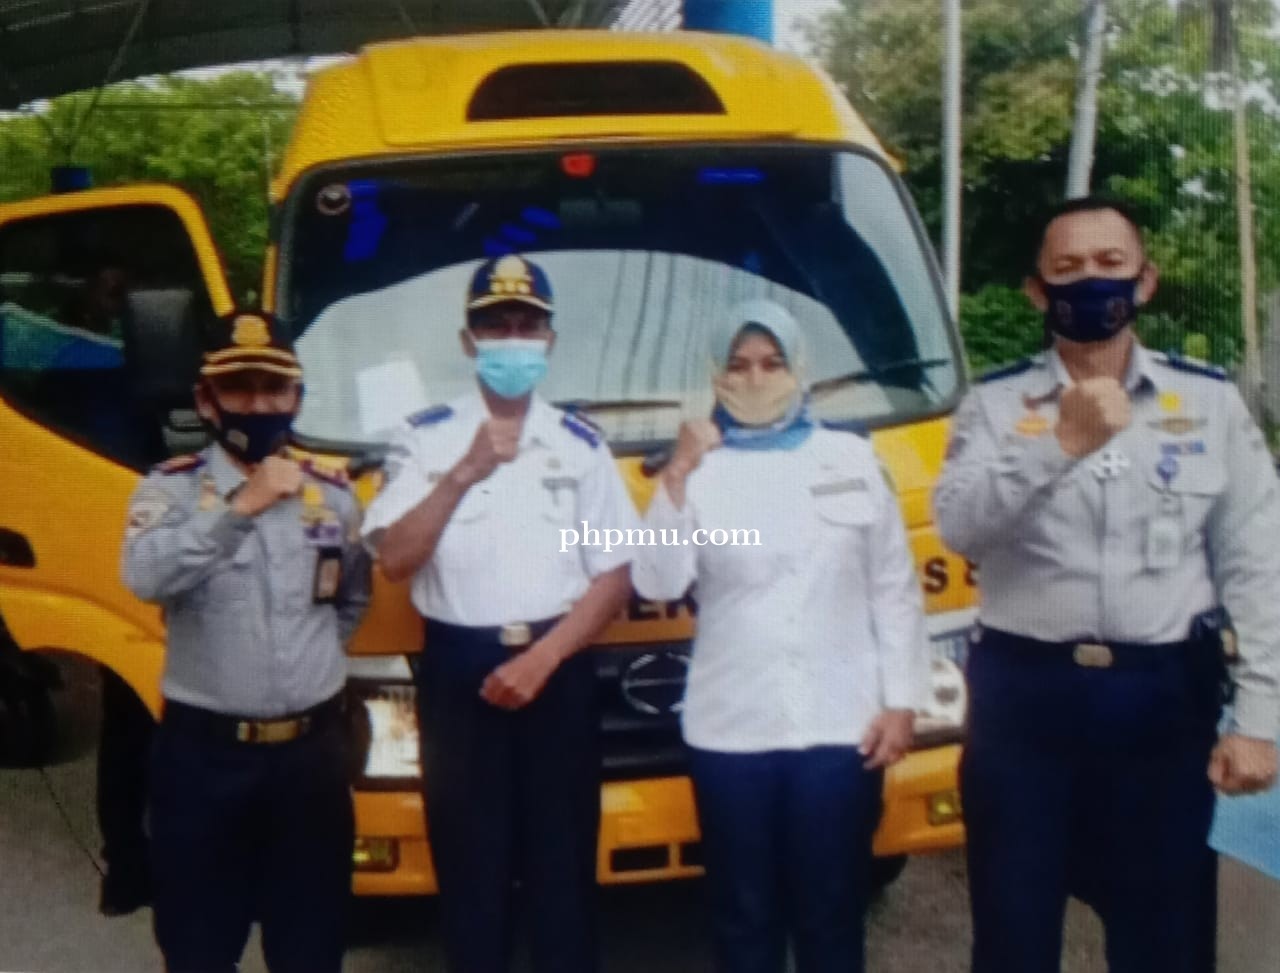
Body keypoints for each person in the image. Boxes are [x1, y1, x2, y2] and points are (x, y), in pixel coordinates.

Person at [934, 196, 1280, 973]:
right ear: (1037, 291)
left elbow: (1259, 563)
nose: (1089, 282)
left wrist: (1259, 716)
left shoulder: (1209, 402)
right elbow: (959, 527)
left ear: (1145, 281)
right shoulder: (994, 406)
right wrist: (1058, 443)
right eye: (1067, 270)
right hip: (1026, 703)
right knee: (1014, 932)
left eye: (1109, 265)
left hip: (1161, 703)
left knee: (1167, 936)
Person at [631, 298, 930, 973]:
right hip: (733, 730)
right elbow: (655, 579)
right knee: (743, 917)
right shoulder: (697, 470)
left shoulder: (851, 456)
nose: (756, 378)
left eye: (771, 363)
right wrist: (676, 472)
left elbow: (894, 586)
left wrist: (903, 699)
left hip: (841, 727)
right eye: (738, 365)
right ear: (716, 376)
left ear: (800, 370)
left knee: (832, 910)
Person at [361, 254, 637, 973]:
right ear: (467, 340)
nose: (511, 338)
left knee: (564, 870)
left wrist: (543, 660)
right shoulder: (422, 439)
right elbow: (393, 557)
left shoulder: (581, 445)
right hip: (459, 672)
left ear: (547, 340)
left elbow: (614, 576)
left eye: (525, 325)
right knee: (469, 869)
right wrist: (463, 472)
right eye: (495, 325)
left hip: (560, 668)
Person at [121, 311, 370, 973]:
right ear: (206, 399)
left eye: (274, 387)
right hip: (205, 759)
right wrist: (241, 508)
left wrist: (306, 663)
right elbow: (144, 576)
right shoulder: (168, 490)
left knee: (312, 945)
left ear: (296, 397)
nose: (259, 403)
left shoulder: (334, 497)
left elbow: (350, 599)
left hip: (312, 758)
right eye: (240, 387)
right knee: (199, 947)